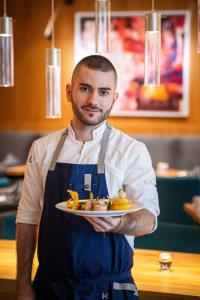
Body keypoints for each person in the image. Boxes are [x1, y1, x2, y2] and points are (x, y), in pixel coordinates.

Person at [16, 55, 159, 300]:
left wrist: (120, 224)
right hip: (49, 287)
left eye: (103, 92)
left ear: (114, 98)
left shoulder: (132, 150)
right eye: (85, 89)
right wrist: (22, 285)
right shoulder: (41, 149)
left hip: (109, 289)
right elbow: (27, 218)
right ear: (69, 92)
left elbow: (148, 219)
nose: (94, 100)